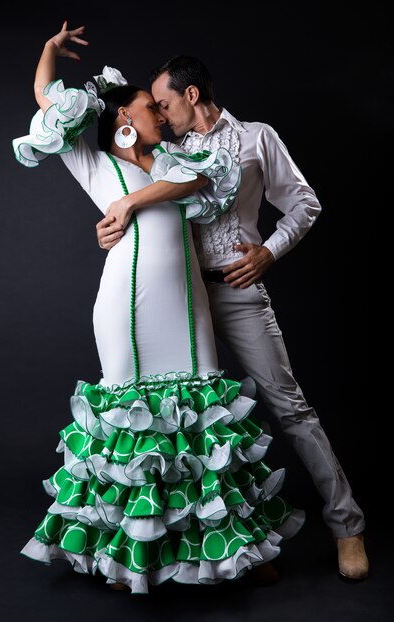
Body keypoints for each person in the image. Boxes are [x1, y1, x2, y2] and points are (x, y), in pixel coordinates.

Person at [12, 23, 305, 594]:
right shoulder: (92, 161)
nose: (161, 113)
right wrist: (48, 52)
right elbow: (48, 102)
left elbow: (204, 177)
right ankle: (133, 559)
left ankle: (237, 550)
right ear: (125, 119)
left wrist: (131, 201)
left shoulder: (175, 159)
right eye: (149, 106)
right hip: (126, 308)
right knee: (136, 429)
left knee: (202, 427)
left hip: (189, 306)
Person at [96, 55, 369, 581]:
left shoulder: (256, 139)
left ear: (192, 95)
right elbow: (118, 171)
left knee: (291, 409)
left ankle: (347, 525)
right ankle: (228, 551)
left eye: (166, 102)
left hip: (238, 293)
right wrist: (111, 224)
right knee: (188, 425)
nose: (159, 110)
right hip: (176, 299)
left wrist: (268, 251)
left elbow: (304, 204)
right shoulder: (161, 148)